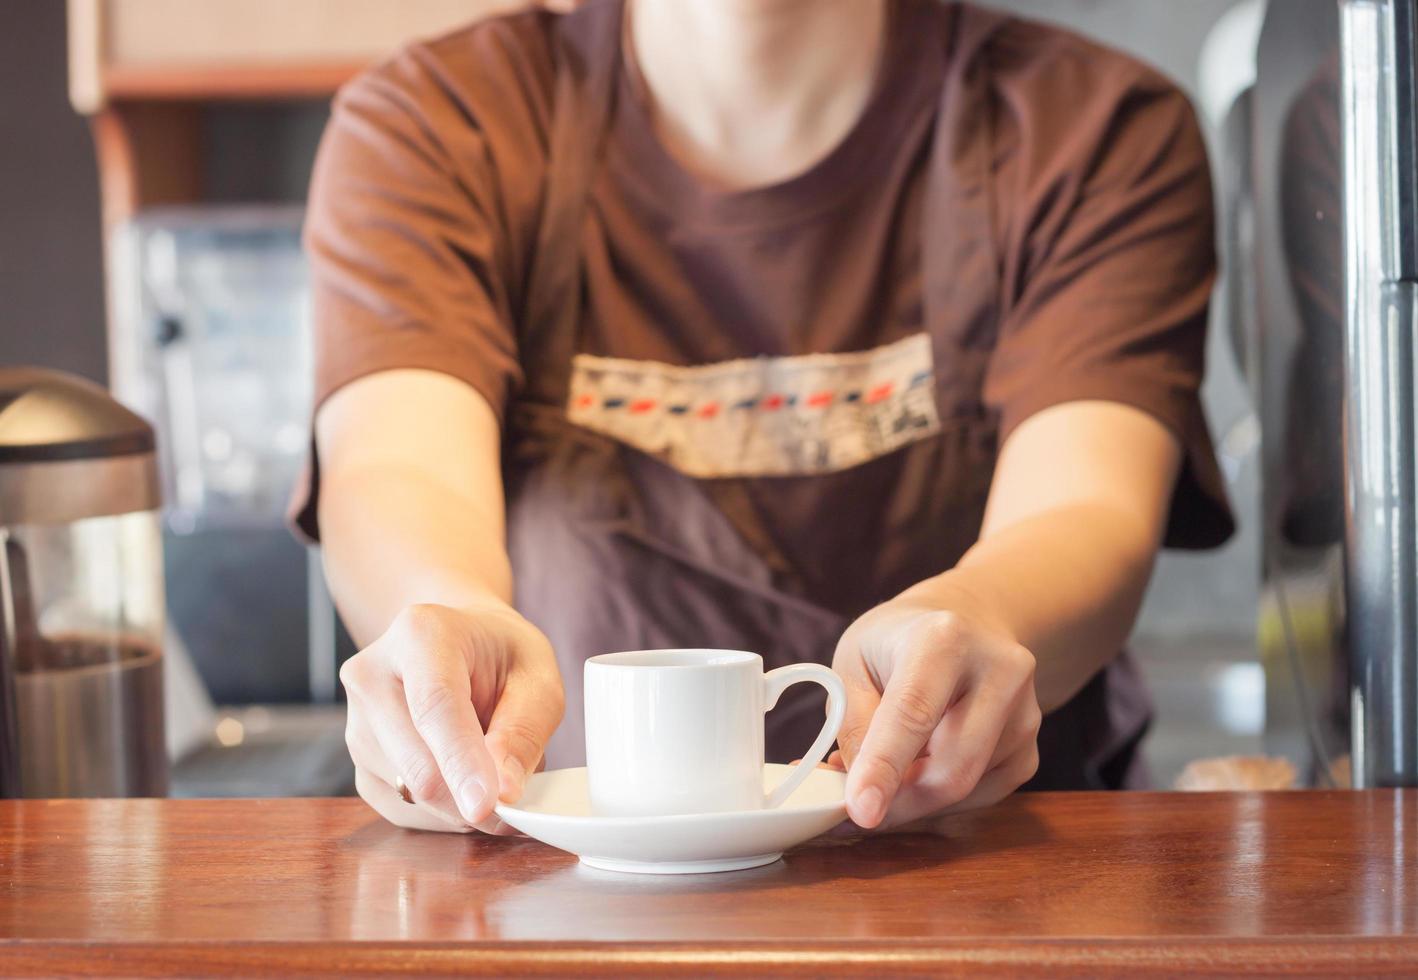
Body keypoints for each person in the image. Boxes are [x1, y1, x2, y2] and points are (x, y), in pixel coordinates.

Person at [292, 0, 1234, 835]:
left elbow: (1089, 506)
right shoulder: (436, 121)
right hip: (567, 894)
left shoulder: (1090, 126)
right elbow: (393, 463)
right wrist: (445, 619)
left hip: (974, 874)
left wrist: (982, 613)